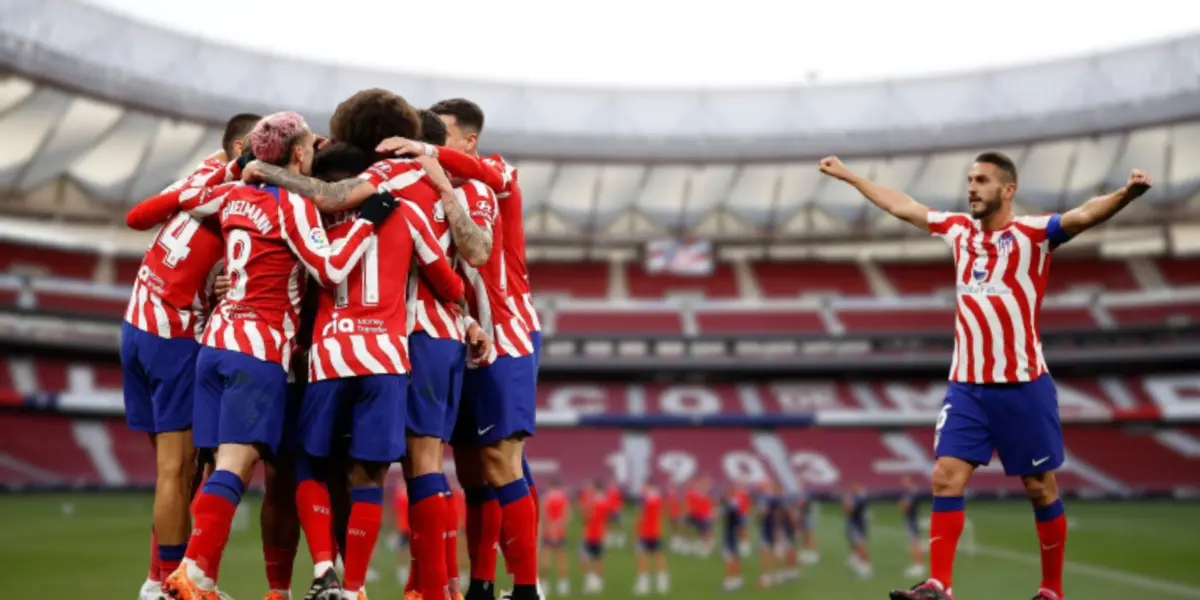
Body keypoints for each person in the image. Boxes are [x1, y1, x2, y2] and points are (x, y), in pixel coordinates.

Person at [817, 153, 1153, 600]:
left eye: (982, 181)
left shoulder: (1033, 235)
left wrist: (1126, 195)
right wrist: (851, 177)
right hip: (968, 386)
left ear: (1007, 190)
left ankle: (1052, 590)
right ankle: (940, 584)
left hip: (1023, 384)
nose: (971, 188)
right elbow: (903, 205)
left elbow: (1084, 214)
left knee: (1039, 488)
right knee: (945, 477)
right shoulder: (958, 230)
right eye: (969, 180)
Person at [243, 91, 490, 600]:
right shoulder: (411, 195)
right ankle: (392, 587)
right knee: (388, 471)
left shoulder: (313, 209)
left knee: (310, 465)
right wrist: (467, 317)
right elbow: (459, 273)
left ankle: (319, 573)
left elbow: (317, 215)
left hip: (328, 352)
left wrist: (260, 169)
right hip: (394, 353)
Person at [162, 111, 398, 600]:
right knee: (236, 465)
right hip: (259, 349)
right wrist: (367, 224)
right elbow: (330, 269)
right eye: (310, 147)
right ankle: (192, 573)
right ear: (297, 155)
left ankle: (199, 576)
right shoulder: (291, 202)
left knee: (222, 466)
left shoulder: (234, 196)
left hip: (217, 343)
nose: (313, 154)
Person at [123, 112, 259, 600]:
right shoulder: (236, 196)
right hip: (173, 336)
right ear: (245, 147)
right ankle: (169, 584)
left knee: (176, 473)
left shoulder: (201, 171)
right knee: (177, 472)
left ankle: (156, 580)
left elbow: (137, 218)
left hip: (136, 324)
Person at [633, 481, 669, 596]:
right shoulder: (658, 498)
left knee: (643, 557)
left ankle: (643, 585)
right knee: (659, 556)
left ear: (648, 486)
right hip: (655, 532)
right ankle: (662, 583)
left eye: (644, 486)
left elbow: (640, 515)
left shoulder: (645, 500)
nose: (642, 489)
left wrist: (636, 531)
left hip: (646, 532)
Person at [540, 478, 571, 597]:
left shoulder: (545, 498)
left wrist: (551, 528)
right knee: (561, 559)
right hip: (560, 532)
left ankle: (544, 584)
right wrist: (557, 527)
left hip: (548, 533)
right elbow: (567, 516)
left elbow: (544, 515)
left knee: (546, 559)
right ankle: (563, 585)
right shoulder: (563, 498)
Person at [580, 479, 609, 596]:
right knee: (598, 559)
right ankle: (598, 582)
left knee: (584, 558)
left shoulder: (594, 500)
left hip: (591, 534)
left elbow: (587, 515)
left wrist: (588, 500)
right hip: (600, 534)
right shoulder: (605, 500)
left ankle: (591, 580)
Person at [720, 485, 750, 592]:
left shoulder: (731, 504)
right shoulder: (735, 504)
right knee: (735, 556)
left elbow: (721, 512)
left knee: (729, 557)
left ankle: (730, 581)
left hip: (730, 534)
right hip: (733, 533)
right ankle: (737, 579)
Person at [843, 482, 872, 579]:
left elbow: (849, 510)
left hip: (859, 524)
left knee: (861, 544)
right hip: (853, 523)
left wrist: (846, 501)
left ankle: (866, 567)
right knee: (854, 542)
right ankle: (857, 560)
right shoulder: (855, 496)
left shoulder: (860, 497)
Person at [900, 476, 927, 579]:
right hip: (912, 520)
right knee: (913, 542)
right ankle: (917, 564)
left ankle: (919, 565)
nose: (903, 483)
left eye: (905, 481)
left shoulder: (912, 493)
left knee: (914, 542)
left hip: (912, 521)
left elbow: (904, 507)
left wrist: (903, 504)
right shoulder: (910, 493)